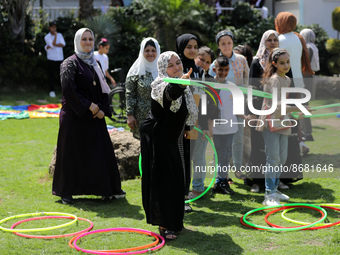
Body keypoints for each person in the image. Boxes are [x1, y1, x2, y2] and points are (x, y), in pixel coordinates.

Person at [52, 28, 125, 205]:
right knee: (72, 154)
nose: (87, 42)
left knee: (99, 152)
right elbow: (69, 90)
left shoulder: (95, 63)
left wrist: (102, 109)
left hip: (95, 117)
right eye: (84, 39)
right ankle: (67, 192)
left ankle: (104, 190)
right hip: (75, 116)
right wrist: (90, 106)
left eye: (90, 39)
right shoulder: (69, 63)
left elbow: (103, 89)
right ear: (78, 41)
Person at [140, 51, 198, 240]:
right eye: (170, 65)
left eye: (178, 63)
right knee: (163, 181)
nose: (176, 67)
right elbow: (170, 94)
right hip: (157, 137)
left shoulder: (183, 86)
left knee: (176, 180)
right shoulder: (160, 84)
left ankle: (174, 222)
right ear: (163, 68)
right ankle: (165, 225)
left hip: (171, 138)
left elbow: (186, 111)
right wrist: (181, 83)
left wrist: (188, 127)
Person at [257, 48, 301, 206]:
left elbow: (284, 103)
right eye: (282, 63)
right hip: (271, 121)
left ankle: (275, 189)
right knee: (273, 159)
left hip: (283, 120)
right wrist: (297, 108)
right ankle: (268, 195)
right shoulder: (274, 79)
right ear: (274, 64)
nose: (286, 65)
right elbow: (275, 105)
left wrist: (295, 112)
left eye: (288, 62)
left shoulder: (287, 79)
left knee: (281, 159)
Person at [209, 30, 249, 184]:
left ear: (233, 43)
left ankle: (238, 169)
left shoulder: (241, 60)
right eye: (223, 44)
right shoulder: (215, 64)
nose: (226, 46)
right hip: (220, 106)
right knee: (219, 138)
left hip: (238, 103)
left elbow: (246, 81)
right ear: (218, 45)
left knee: (237, 138)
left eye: (229, 43)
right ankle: (222, 174)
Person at [275, 12, 314, 156]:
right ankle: (300, 141)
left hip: (286, 83)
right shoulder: (298, 38)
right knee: (295, 113)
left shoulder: (281, 39)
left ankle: (293, 144)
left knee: (286, 113)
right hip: (298, 81)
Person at [245, 30, 279, 193]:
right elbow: (250, 88)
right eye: (269, 40)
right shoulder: (256, 62)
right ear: (264, 42)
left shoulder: (283, 61)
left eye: (275, 39)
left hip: (278, 110)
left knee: (275, 146)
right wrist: (251, 111)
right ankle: (256, 181)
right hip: (259, 110)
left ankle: (275, 181)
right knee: (258, 145)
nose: (272, 42)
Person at [175, 34, 204, 212]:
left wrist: (200, 123)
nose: (192, 50)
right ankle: (177, 197)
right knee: (178, 159)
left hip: (192, 122)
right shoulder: (175, 68)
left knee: (188, 159)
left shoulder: (199, 70)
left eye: (195, 47)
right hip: (176, 121)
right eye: (188, 47)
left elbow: (202, 97)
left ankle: (184, 197)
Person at [189, 46, 217, 199]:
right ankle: (184, 187)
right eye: (202, 59)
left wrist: (206, 126)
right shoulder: (186, 75)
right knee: (187, 156)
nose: (204, 64)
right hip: (186, 123)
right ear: (195, 57)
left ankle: (198, 187)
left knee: (198, 156)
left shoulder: (210, 81)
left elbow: (209, 106)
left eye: (207, 62)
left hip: (201, 124)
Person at [211, 55, 239, 195]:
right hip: (215, 128)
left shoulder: (232, 87)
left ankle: (222, 180)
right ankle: (218, 181)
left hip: (229, 127)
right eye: (220, 70)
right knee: (218, 155)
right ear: (215, 69)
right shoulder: (210, 85)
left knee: (226, 154)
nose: (223, 73)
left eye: (226, 70)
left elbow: (236, 106)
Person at [125, 37, 160, 140]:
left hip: (161, 117)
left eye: (153, 50)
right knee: (145, 149)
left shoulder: (163, 71)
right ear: (142, 52)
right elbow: (130, 94)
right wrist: (130, 115)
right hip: (142, 119)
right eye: (147, 50)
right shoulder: (135, 72)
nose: (150, 53)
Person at [300, 28, 320, 142]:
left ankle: (307, 133)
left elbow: (304, 64)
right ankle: (307, 133)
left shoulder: (307, 48)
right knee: (304, 104)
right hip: (310, 77)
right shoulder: (314, 47)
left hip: (305, 77)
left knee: (303, 105)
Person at [44, 21, 66, 98]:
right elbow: (52, 45)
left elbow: (63, 44)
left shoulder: (60, 35)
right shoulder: (47, 37)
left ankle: (63, 90)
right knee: (51, 75)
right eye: (52, 27)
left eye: (55, 27)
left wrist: (54, 45)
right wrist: (56, 38)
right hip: (51, 59)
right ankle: (52, 91)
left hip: (60, 58)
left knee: (62, 75)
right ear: (49, 28)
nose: (54, 29)